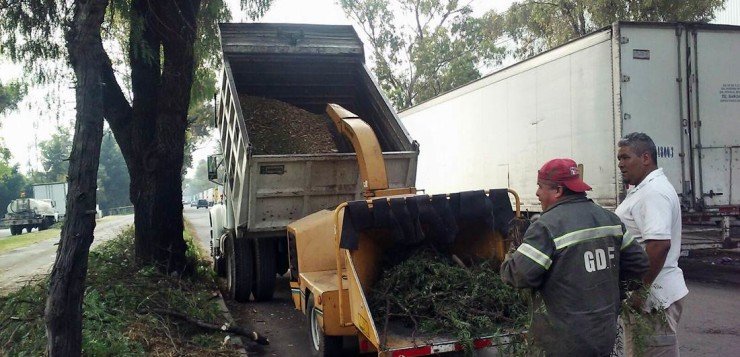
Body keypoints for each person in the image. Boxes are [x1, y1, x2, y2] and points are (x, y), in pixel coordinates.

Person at [501, 158, 649, 356]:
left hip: (564, 340)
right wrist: (614, 291)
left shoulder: (546, 226)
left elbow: (518, 275)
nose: (537, 193)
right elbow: (639, 263)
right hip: (604, 333)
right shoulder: (610, 219)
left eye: (540, 187)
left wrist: (510, 255)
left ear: (558, 191)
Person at [615, 132, 688, 356]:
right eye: (619, 159)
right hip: (648, 299)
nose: (620, 164)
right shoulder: (644, 189)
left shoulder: (653, 193)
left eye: (626, 157)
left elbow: (659, 245)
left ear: (646, 158)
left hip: (653, 301)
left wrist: (640, 291)